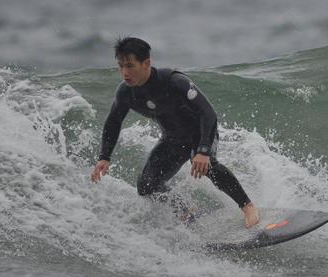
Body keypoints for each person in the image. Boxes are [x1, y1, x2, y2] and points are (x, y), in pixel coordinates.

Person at [90, 37, 259, 228]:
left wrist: (203, 151)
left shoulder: (173, 81)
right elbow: (113, 122)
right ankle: (186, 212)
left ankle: (247, 206)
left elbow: (208, 113)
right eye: (120, 66)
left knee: (207, 166)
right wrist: (104, 157)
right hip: (173, 139)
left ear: (146, 63)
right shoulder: (126, 93)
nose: (125, 72)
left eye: (130, 65)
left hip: (200, 132)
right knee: (146, 185)